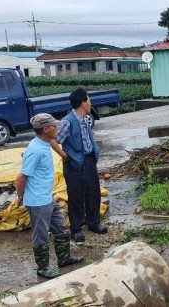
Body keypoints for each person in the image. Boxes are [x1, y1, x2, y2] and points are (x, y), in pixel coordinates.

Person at [12, 113, 83, 278]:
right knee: (41, 235)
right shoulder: (35, 150)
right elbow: (21, 177)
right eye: (54, 126)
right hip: (37, 202)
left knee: (60, 228)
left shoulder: (44, 142)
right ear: (45, 129)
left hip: (46, 198)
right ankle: (42, 267)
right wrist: (20, 197)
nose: (57, 128)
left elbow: (53, 142)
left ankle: (64, 258)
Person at [51, 88, 107, 245]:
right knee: (76, 196)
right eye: (88, 100)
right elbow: (53, 139)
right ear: (83, 103)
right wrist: (63, 155)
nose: (90, 103)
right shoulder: (67, 122)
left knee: (93, 191)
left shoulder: (85, 119)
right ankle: (76, 230)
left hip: (89, 160)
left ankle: (94, 223)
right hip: (74, 164)